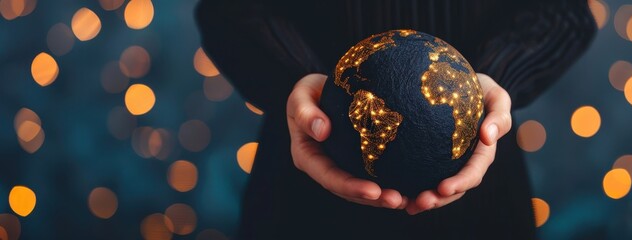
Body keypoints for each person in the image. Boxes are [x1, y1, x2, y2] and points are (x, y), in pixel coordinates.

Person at [195, 0, 595, 239]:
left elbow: (565, 12)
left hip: (478, 182)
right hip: (304, 185)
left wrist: (486, 78)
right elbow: (229, 10)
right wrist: (298, 77)